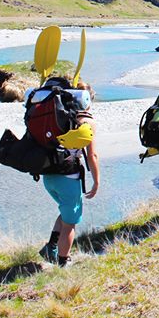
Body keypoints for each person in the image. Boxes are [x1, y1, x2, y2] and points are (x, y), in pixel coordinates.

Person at [38, 81, 100, 267]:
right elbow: (92, 156)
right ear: (88, 100)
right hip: (68, 178)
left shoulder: (60, 116)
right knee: (70, 224)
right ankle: (63, 262)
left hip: (48, 175)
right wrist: (96, 182)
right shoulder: (86, 122)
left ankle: (51, 247)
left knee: (65, 213)